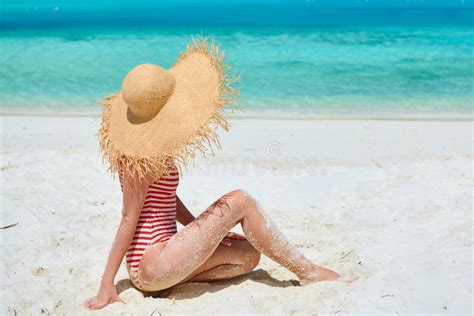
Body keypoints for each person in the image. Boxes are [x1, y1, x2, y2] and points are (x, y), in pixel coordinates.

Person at [84, 37, 352, 311]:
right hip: (149, 264)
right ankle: (309, 272)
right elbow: (129, 217)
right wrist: (107, 282)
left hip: (167, 258)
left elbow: (166, 199)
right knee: (240, 200)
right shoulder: (135, 159)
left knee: (248, 255)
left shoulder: (155, 148)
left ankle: (175, 280)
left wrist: (198, 232)